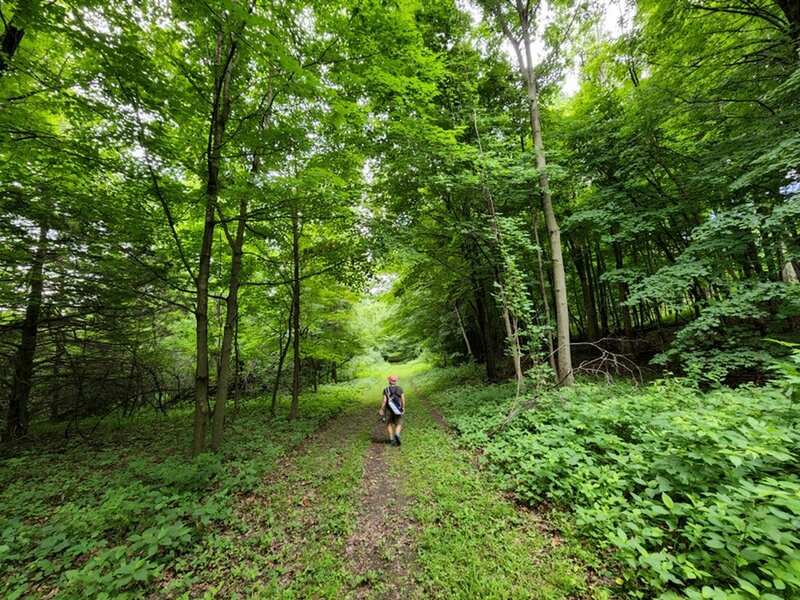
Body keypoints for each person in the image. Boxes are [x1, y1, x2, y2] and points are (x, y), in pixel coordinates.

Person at [379, 374, 405, 446]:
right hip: (397, 409)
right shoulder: (400, 389)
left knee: (389, 424)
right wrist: (402, 407)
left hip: (388, 409)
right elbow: (402, 399)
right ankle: (397, 434)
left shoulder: (386, 390)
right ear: (395, 381)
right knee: (399, 423)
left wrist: (381, 409)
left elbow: (384, 401)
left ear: (389, 381)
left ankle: (391, 439)